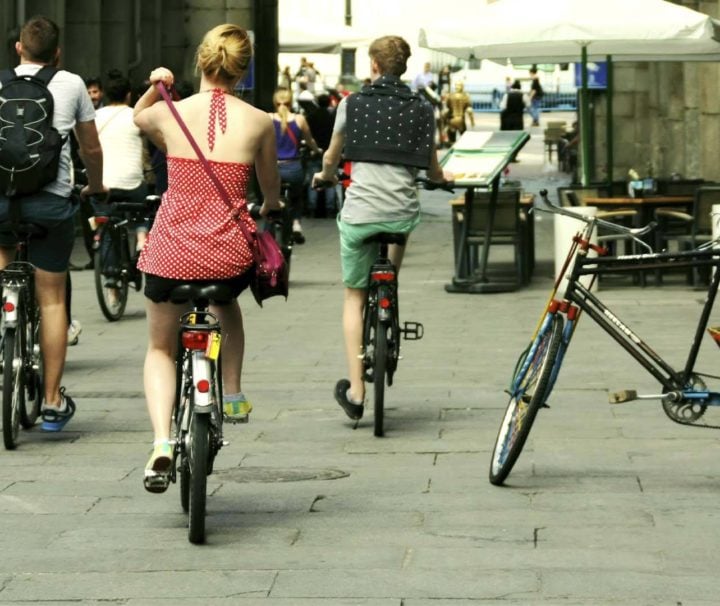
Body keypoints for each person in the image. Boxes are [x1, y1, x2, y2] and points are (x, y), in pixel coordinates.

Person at [133, 23, 282, 492]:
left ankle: (161, 442)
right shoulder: (260, 121)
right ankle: (233, 392)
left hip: (171, 250)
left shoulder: (170, 115)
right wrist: (272, 206)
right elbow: (270, 186)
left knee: (160, 347)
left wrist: (157, 87)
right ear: (243, 70)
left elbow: (140, 117)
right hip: (227, 252)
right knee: (229, 305)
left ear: (201, 60)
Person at [312, 35, 451, 420]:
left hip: (360, 214)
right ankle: (390, 286)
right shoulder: (423, 108)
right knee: (396, 247)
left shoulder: (352, 104)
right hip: (400, 213)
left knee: (354, 297)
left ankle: (356, 391)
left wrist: (324, 176)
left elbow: (332, 155)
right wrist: (440, 178)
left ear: (373, 66)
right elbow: (433, 168)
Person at [0, 15, 107, 430]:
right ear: (57, 53)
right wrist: (95, 186)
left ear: (18, 48)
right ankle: (50, 401)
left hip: (2, 205)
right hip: (50, 204)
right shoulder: (72, 84)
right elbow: (91, 148)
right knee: (52, 300)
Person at [95, 69, 149, 251]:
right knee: (144, 208)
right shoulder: (136, 116)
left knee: (106, 221)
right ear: (128, 95)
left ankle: (109, 270)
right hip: (133, 183)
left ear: (106, 95)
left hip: (105, 184)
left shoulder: (95, 117)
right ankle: (142, 238)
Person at [269, 88, 321, 243]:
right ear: (291, 103)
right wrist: (316, 150)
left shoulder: (268, 118)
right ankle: (296, 223)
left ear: (275, 103)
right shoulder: (300, 119)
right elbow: (310, 141)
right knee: (297, 197)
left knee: (270, 198)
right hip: (293, 168)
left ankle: (269, 229)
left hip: (273, 169)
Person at [305, 93, 337, 216]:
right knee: (329, 180)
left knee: (312, 181)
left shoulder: (311, 117)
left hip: (315, 153)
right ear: (329, 103)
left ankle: (311, 208)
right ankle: (330, 208)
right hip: (329, 153)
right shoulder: (332, 118)